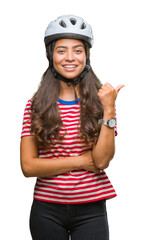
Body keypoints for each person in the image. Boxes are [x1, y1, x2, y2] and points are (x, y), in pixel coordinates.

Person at [20, 15, 124, 240]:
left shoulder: (102, 102)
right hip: (46, 209)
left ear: (86, 56)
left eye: (77, 50)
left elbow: (102, 161)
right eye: (61, 50)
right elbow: (28, 166)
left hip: (92, 209)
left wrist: (109, 110)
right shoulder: (35, 105)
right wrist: (80, 161)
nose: (70, 58)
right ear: (51, 55)